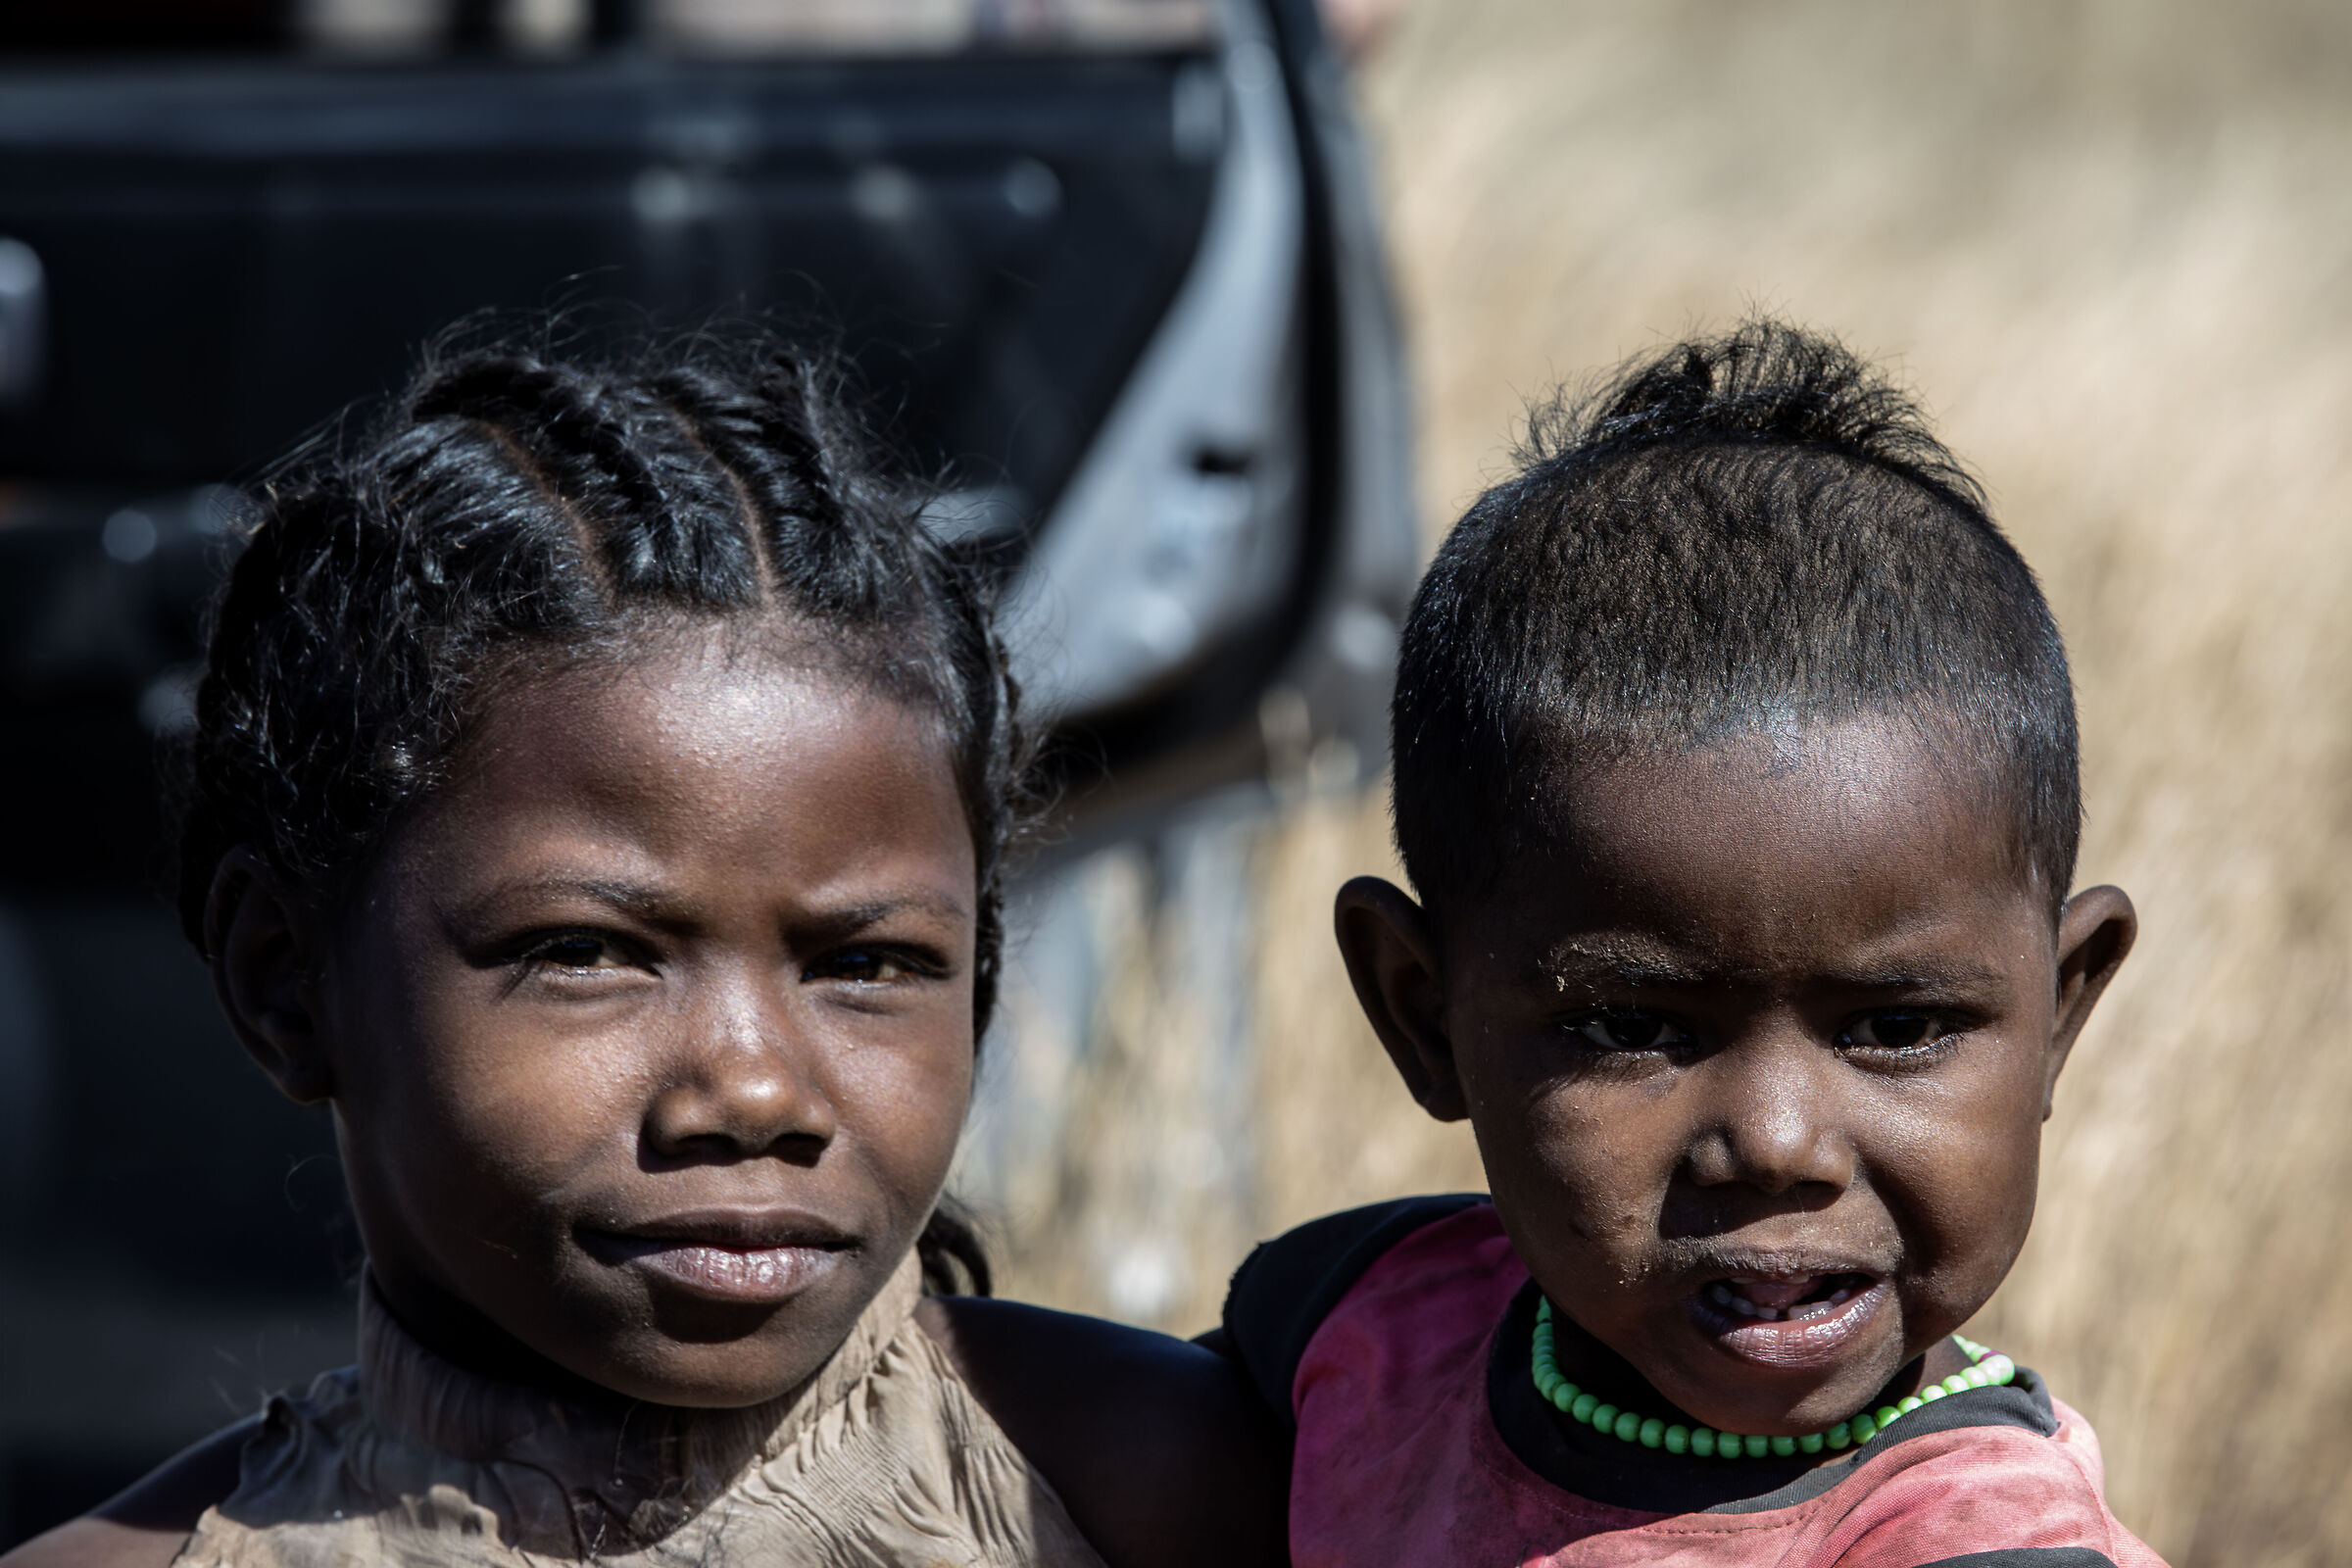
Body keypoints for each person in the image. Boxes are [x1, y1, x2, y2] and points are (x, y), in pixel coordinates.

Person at [4, 336, 1286, 1568]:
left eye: (867, 966)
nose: (755, 1092)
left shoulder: (1157, 1484)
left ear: (984, 970)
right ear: (284, 979)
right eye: (586, 953)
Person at [1218, 320, 2166, 1565]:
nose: (1775, 1144)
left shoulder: (1970, 1541)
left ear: (2064, 1007)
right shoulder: (1380, 1319)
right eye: (1633, 1025)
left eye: (1895, 1027)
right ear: (1421, 1010)